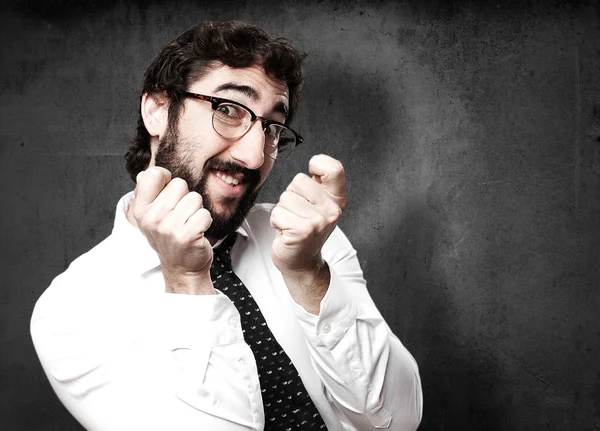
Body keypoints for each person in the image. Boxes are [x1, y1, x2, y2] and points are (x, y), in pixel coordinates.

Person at [31, 21, 422, 431]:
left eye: (271, 127)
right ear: (158, 111)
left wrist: (309, 274)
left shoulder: (304, 241)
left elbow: (397, 421)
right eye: (229, 110)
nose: (255, 157)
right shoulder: (70, 313)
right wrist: (187, 281)